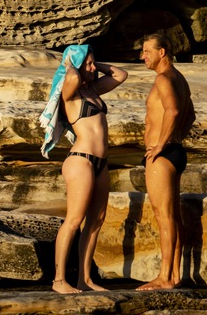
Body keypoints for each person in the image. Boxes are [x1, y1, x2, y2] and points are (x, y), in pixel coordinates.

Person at [40, 44, 127, 293]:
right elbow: (73, 77)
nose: (92, 67)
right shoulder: (72, 93)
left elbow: (121, 75)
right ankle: (59, 280)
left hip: (101, 162)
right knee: (75, 219)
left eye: (93, 63)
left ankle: (85, 280)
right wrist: (72, 64)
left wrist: (94, 64)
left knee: (97, 220)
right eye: (88, 63)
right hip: (81, 160)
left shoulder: (93, 90)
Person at [137, 32, 196, 290]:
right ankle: (174, 274)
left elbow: (173, 111)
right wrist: (175, 139)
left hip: (161, 156)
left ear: (163, 52)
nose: (143, 56)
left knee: (163, 216)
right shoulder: (178, 78)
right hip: (175, 152)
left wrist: (160, 144)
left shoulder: (163, 78)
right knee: (173, 217)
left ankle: (165, 277)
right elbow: (190, 115)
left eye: (147, 50)